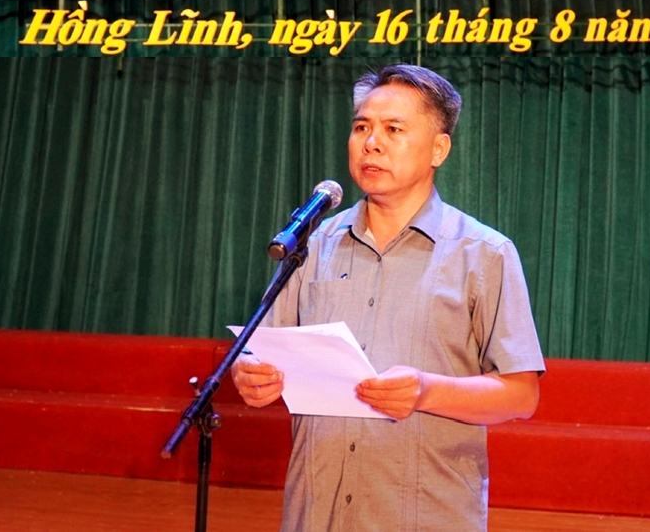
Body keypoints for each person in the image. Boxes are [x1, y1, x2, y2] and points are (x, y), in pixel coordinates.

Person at [231, 64, 545, 532]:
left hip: (427, 513)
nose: (371, 142)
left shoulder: (484, 253)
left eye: (393, 129)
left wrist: (426, 390)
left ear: (439, 148)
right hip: (317, 511)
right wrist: (249, 375)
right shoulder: (312, 244)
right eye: (362, 127)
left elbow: (521, 394)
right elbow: (260, 351)